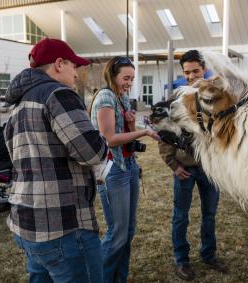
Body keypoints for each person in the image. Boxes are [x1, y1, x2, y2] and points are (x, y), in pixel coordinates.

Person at [4, 38, 108, 283]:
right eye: (74, 66)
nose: (77, 73)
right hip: (63, 226)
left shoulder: (17, 107)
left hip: (27, 223)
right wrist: (101, 138)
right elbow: (91, 152)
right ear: (59, 64)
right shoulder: (59, 94)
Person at [90, 56, 160, 283]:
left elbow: (126, 133)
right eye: (126, 78)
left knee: (128, 232)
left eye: (132, 78)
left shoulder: (122, 97)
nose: (129, 82)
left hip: (129, 166)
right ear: (113, 75)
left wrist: (132, 123)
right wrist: (144, 132)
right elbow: (109, 139)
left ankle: (120, 278)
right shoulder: (106, 97)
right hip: (113, 170)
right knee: (117, 233)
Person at [158, 50, 226, 281]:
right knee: (181, 216)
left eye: (195, 71)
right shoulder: (177, 97)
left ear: (204, 69)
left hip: (209, 168)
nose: (190, 76)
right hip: (184, 168)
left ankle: (208, 255)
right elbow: (165, 132)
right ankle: (182, 260)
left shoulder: (214, 95)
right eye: (186, 72)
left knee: (210, 214)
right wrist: (173, 165)